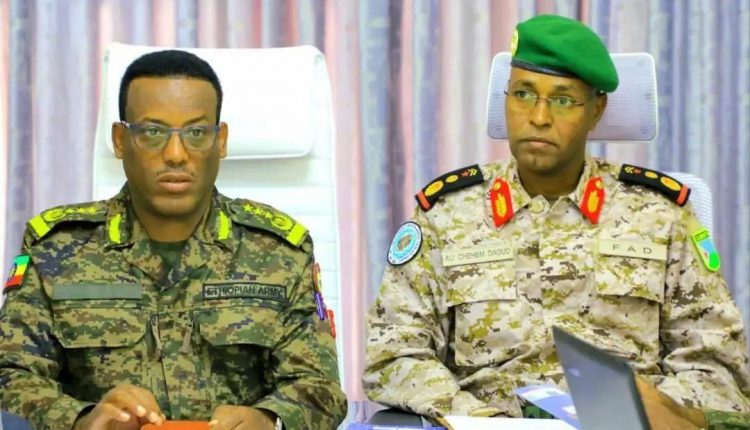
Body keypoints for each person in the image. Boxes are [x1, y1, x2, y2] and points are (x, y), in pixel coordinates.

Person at [363, 14, 750, 430]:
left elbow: (718, 366)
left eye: (563, 100)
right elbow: (393, 353)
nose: (539, 117)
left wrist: (653, 413)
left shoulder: (661, 215)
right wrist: (478, 418)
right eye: (523, 94)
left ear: (596, 111)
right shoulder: (447, 214)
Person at [0, 49, 347, 430]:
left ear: (221, 141)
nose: (176, 154)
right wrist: (81, 420)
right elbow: (11, 375)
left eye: (196, 133)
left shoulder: (279, 253)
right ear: (120, 140)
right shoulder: (56, 250)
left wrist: (268, 421)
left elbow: (320, 389)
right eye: (152, 132)